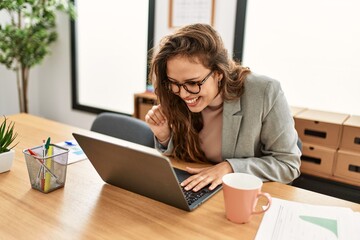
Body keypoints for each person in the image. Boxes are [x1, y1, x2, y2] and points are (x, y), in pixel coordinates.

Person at [145, 23, 301, 193]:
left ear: (219, 73)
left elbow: (288, 165)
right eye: (174, 83)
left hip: (245, 195)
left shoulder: (264, 91)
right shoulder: (175, 97)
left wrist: (229, 168)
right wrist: (165, 136)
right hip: (201, 191)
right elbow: (183, 162)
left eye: (192, 83)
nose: (183, 94)